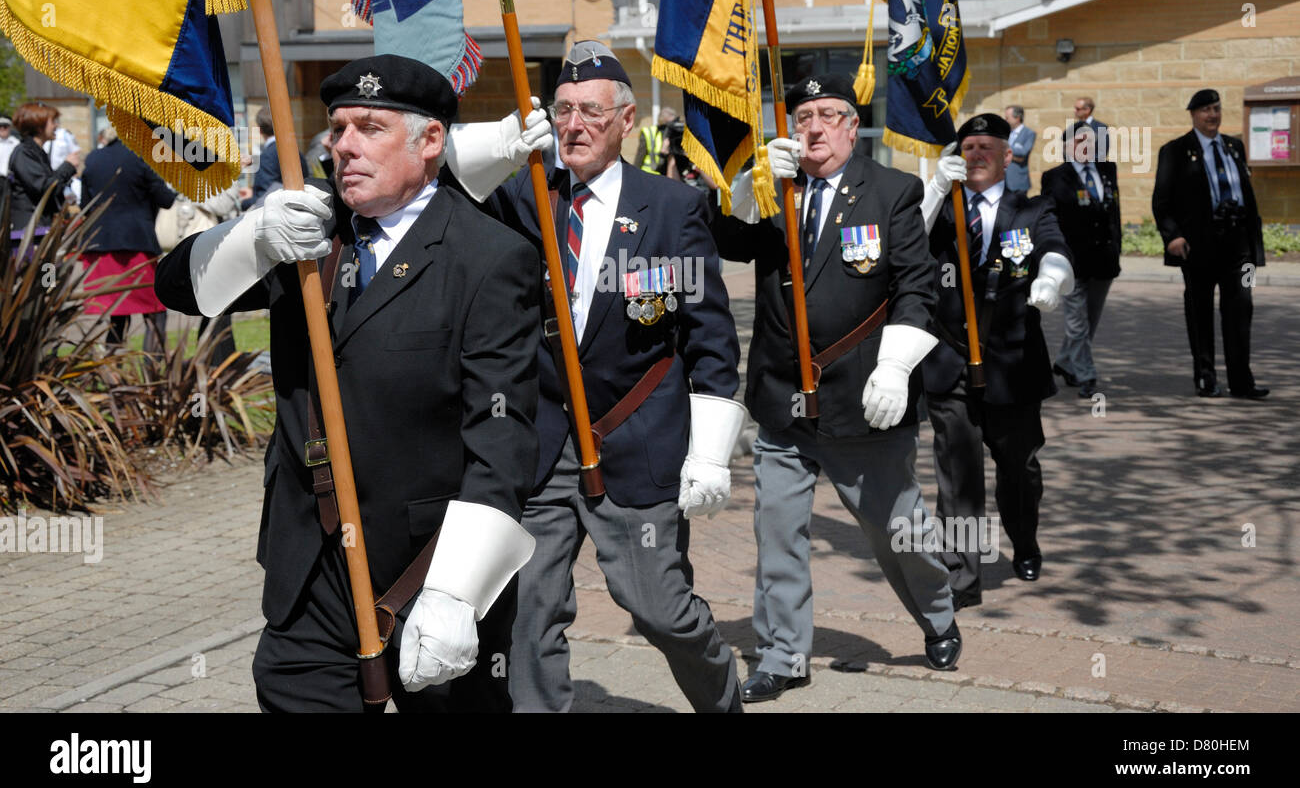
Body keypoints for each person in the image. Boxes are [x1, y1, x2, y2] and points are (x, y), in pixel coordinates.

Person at [156, 54, 554, 712]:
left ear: (430, 143)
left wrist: (457, 591)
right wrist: (256, 234)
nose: (343, 145)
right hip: (311, 561)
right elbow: (177, 289)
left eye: (370, 127)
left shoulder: (489, 257)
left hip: (429, 565)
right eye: (338, 128)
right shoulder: (307, 235)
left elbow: (502, 433)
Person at [446, 40, 746, 713]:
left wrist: (710, 453)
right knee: (527, 614)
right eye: (563, 111)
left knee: (661, 611)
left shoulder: (671, 208)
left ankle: (721, 699)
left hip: (636, 444)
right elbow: (444, 185)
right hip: (545, 443)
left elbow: (710, 337)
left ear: (627, 120)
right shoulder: (526, 193)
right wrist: (497, 144)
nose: (573, 126)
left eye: (591, 112)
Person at [710, 73, 961, 703]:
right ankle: (783, 654)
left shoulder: (892, 192)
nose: (813, 127)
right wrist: (744, 189)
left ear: (853, 125)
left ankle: (937, 613)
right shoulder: (776, 189)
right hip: (783, 401)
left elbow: (916, 287)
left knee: (896, 528)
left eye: (827, 114)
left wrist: (898, 363)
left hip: (865, 398)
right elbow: (728, 241)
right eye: (802, 117)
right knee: (779, 534)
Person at [920, 112, 1074, 607]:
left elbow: (1054, 249)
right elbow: (903, 244)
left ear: (1009, 156)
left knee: (1019, 470)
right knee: (957, 476)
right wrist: (935, 189)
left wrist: (1051, 279)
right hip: (951, 361)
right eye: (969, 148)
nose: (978, 155)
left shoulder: (1033, 210)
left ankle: (1024, 541)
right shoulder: (942, 213)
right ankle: (962, 576)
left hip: (1013, 362)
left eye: (988, 147)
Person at [1152, 89, 1267, 400]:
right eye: (1205, 110)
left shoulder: (1234, 146)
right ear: (1193, 114)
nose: (1212, 115)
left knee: (1242, 310)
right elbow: (1161, 201)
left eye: (1216, 108)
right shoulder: (1175, 150)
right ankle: (1206, 379)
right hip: (1199, 247)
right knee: (1200, 312)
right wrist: (1172, 235)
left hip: (1239, 247)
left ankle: (1241, 381)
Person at [1040, 122, 1121, 397]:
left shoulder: (1107, 170)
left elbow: (1114, 215)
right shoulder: (1054, 177)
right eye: (1079, 142)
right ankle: (1085, 374)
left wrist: (1117, 247)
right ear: (1066, 146)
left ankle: (1064, 362)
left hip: (1103, 260)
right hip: (1072, 260)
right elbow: (1049, 218)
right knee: (1077, 321)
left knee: (1090, 319)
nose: (1086, 147)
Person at [78, 128, 178, 353]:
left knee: (117, 315)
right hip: (136, 244)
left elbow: (85, 203)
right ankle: (154, 375)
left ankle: (115, 381)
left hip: (100, 245)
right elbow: (166, 199)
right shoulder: (140, 156)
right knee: (155, 312)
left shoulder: (93, 158)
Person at [8, 102, 81, 240]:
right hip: (29, 233)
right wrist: (67, 166)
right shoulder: (24, 153)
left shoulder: (37, 152)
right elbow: (45, 188)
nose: (56, 126)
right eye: (52, 121)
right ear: (38, 125)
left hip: (40, 228)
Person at [633, 106, 677, 175]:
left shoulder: (676, 134)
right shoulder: (649, 132)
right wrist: (634, 174)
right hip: (649, 175)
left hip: (667, 175)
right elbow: (639, 158)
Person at [1004, 104, 1035, 193]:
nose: (1005, 120)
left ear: (1017, 118)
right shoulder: (1006, 133)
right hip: (1003, 182)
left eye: (1007, 118)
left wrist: (1004, 147)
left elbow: (1023, 152)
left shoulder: (1029, 133)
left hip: (1018, 182)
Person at [1073, 96, 1108, 164]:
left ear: (1087, 110)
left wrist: (1084, 162)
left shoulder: (1100, 128)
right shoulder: (1073, 128)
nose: (1074, 111)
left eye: (1077, 109)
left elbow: (1101, 154)